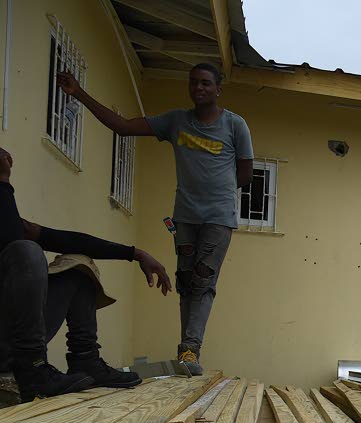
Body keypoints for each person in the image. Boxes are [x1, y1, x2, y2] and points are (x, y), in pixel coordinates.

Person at [58, 62, 253, 376]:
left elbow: (244, 174)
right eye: (193, 82)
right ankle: (186, 351)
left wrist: (215, 191)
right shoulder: (176, 121)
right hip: (184, 216)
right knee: (186, 281)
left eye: (205, 83)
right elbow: (123, 127)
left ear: (218, 88)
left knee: (203, 279)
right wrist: (78, 92)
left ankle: (190, 348)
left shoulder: (235, 125)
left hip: (219, 219)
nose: (198, 88)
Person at [0, 148, 172, 402]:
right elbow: (12, 241)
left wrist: (135, 253)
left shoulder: (9, 220)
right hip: (13, 347)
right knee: (27, 252)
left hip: (13, 338)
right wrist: (3, 181)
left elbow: (69, 241)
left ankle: (85, 359)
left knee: (77, 264)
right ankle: (33, 368)